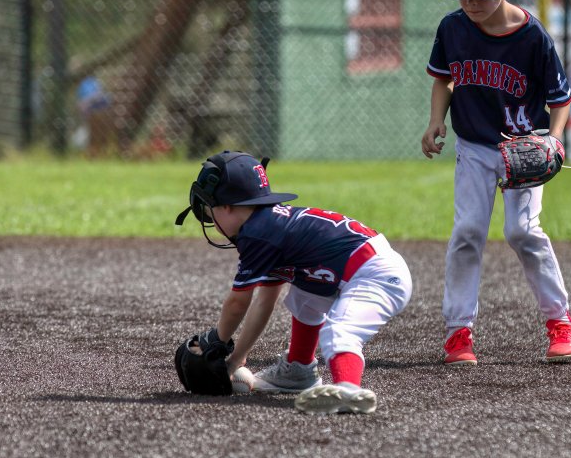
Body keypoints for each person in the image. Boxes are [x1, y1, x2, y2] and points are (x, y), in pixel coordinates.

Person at [421, 0, 571, 366]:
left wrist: (555, 138)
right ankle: (458, 332)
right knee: (468, 231)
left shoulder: (532, 37)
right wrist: (436, 120)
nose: (470, 1)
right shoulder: (452, 28)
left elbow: (561, 98)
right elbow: (444, 78)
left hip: (522, 148)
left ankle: (560, 321)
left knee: (522, 232)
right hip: (474, 146)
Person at [176, 150, 412, 414]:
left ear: (227, 207)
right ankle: (299, 369)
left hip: (376, 276)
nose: (211, 222)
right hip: (364, 269)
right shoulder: (268, 224)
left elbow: (237, 304)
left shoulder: (257, 234)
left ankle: (349, 389)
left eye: (209, 212)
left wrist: (217, 340)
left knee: (339, 331)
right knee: (303, 292)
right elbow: (265, 300)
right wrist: (236, 360)